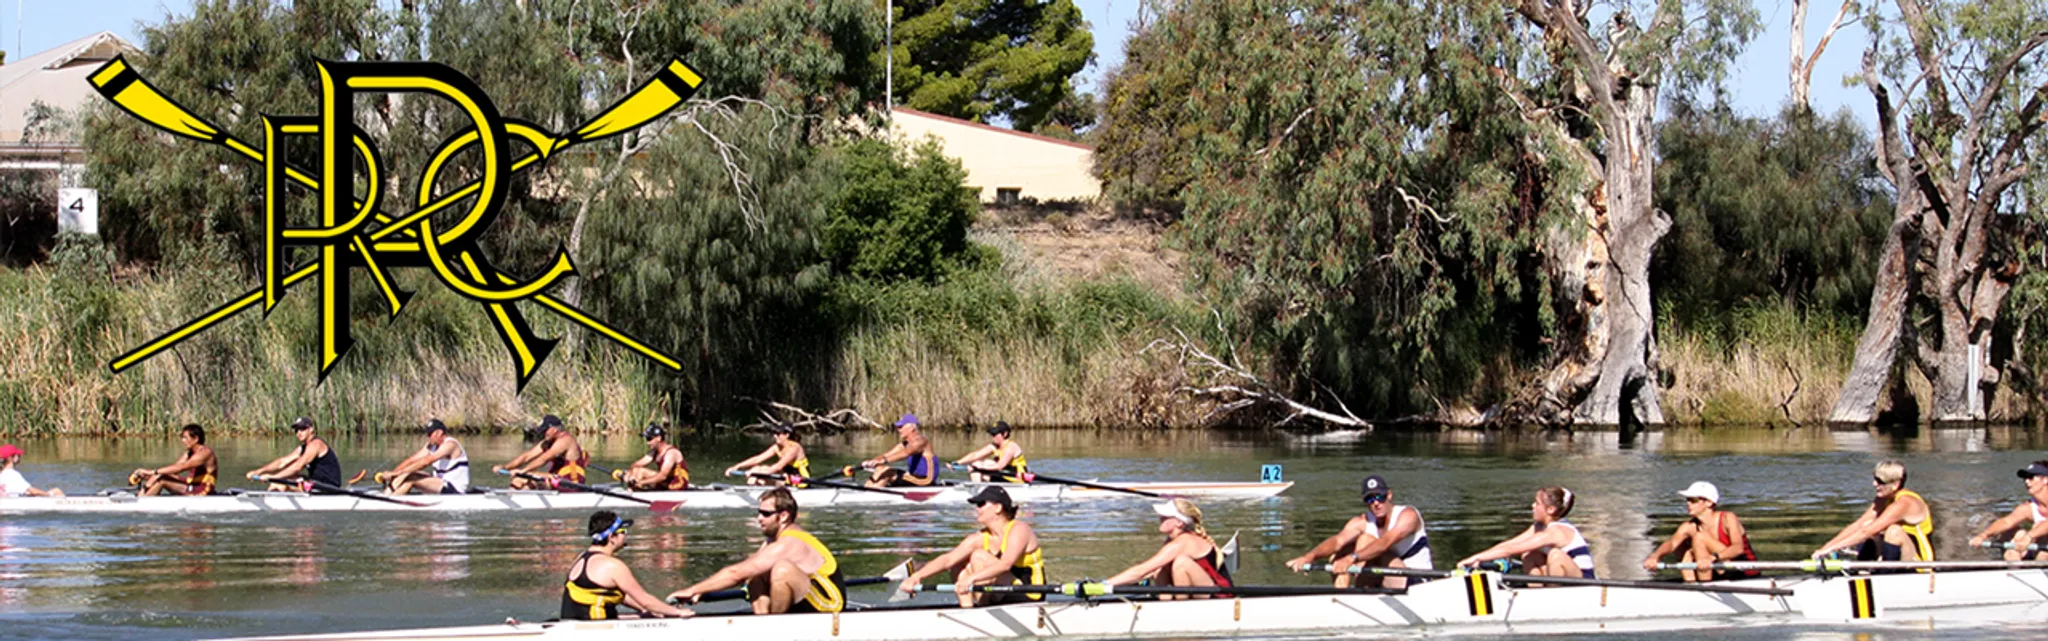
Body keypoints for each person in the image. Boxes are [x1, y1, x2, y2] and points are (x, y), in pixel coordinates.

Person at [668, 488, 844, 614]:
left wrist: (690, 590)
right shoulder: (772, 540)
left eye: (766, 514)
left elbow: (735, 573)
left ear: (783, 516)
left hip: (829, 604)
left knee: (782, 569)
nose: (759, 518)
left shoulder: (789, 543)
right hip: (804, 598)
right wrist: (704, 589)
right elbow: (745, 571)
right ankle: (762, 622)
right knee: (756, 574)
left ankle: (773, 628)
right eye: (759, 512)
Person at [897, 486, 1047, 607]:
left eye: (981, 504)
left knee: (978, 556)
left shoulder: (1019, 529)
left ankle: (981, 608)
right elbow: (948, 559)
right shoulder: (981, 537)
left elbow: (1005, 564)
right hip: (1001, 592)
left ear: (997, 508)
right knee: (957, 564)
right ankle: (969, 609)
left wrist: (971, 580)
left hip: (1030, 593)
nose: (977, 509)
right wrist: (917, 576)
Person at [1284, 475, 1431, 589]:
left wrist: (1352, 558)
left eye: (1380, 496)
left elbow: (1385, 543)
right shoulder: (1362, 521)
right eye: (1370, 499)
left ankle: (1359, 594)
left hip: (1417, 583)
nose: (1376, 503)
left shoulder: (1408, 515)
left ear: (1389, 495)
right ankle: (1341, 597)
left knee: (1365, 540)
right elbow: (1337, 541)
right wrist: (1309, 557)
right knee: (1340, 552)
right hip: (1387, 579)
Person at [559, 510, 692, 620]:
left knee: (643, 616)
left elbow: (620, 595)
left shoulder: (581, 557)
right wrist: (677, 613)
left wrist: (649, 610)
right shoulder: (613, 566)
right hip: (594, 631)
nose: (626, 535)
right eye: (623, 531)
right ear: (612, 537)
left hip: (577, 623)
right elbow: (645, 599)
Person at [1455, 486, 1596, 581]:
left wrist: (1474, 558)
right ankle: (1535, 593)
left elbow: (1510, 550)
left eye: (1537, 503)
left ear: (1551, 509)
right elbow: (1510, 544)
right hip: (1567, 578)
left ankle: (1555, 597)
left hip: (1585, 581)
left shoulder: (1556, 531)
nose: (1532, 506)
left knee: (1555, 555)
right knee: (1529, 554)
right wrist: (1478, 558)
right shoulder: (1538, 527)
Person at [1100, 499, 1233, 600]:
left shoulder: (1184, 542)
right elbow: (1146, 571)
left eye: (1165, 516)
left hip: (1221, 597)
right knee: (1159, 568)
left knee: (1181, 563)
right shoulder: (1172, 540)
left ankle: (1178, 609)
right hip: (1202, 591)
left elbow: (1141, 570)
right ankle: (1165, 602)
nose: (1160, 518)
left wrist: (1104, 585)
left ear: (1179, 523)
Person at [1813, 460, 1935, 563]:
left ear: (1896, 484)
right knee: (1868, 524)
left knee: (1893, 531)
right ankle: (1863, 571)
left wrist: (1832, 549)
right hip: (1899, 557)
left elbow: (1866, 532)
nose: (1874, 484)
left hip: (1920, 563)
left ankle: (1884, 576)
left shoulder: (1904, 503)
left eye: (1880, 481)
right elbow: (1859, 525)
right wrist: (1825, 548)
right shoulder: (1884, 499)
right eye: (1875, 479)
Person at [1640, 481, 1757, 582]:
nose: (1688, 503)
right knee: (1683, 548)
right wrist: (1655, 556)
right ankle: (1692, 585)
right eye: (1687, 500)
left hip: (1743, 572)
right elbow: (1672, 543)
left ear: (1709, 503)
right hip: (1717, 570)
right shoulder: (1689, 526)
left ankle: (1705, 586)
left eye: (1693, 500)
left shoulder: (1728, 518)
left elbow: (1738, 548)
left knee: (1700, 537)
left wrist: (1711, 558)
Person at [1968, 461, 2048, 561]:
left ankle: (2039, 567)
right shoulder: (2028, 507)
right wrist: (1983, 535)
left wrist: (2029, 537)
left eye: (2031, 477)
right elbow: (2006, 521)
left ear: (2045, 480)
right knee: (2014, 533)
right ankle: (2015, 568)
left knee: (2039, 531)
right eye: (2025, 478)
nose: (2027, 482)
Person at [246, 417, 342, 492]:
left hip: (328, 487)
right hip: (314, 482)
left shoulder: (316, 445)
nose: (299, 433)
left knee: (279, 483)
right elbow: (282, 462)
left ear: (311, 429)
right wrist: (258, 471)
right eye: (296, 430)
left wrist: (273, 477)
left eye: (302, 429)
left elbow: (297, 466)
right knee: (280, 481)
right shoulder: (302, 448)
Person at [496, 415, 589, 491]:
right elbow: (527, 456)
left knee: (522, 477)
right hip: (555, 480)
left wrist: (523, 471)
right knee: (519, 482)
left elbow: (543, 459)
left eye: (546, 430)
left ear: (555, 429)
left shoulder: (565, 440)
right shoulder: (548, 442)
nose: (544, 433)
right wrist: (505, 467)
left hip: (571, 484)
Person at [378, 419, 469, 495]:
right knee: (406, 474)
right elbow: (411, 460)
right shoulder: (431, 446)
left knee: (411, 481)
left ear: (439, 432)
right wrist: (393, 474)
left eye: (430, 434)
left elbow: (426, 462)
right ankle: (386, 495)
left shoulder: (450, 445)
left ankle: (389, 501)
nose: (428, 437)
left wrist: (396, 474)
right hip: (439, 482)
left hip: (454, 489)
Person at [132, 424, 217, 496]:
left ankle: (141, 500)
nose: (182, 441)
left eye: (185, 438)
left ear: (195, 439)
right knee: (160, 475)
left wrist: (151, 472)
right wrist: (148, 476)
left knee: (162, 480)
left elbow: (181, 467)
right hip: (191, 485)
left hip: (202, 490)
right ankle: (142, 495)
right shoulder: (189, 453)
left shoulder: (205, 453)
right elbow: (174, 469)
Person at [863, 413, 938, 488]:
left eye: (901, 427)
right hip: (913, 478)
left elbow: (906, 453)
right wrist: (871, 462)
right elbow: (885, 455)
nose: (898, 429)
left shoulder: (921, 441)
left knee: (887, 471)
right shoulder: (904, 444)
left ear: (912, 427)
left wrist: (883, 460)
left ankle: (873, 494)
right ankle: (867, 490)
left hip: (926, 480)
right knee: (880, 469)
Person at [726, 424, 811, 486]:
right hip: (786, 479)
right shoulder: (777, 447)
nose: (775, 436)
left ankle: (754, 489)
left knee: (761, 472)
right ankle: (753, 489)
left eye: (778, 434)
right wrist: (737, 466)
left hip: (800, 481)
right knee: (758, 468)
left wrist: (756, 474)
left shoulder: (794, 447)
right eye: (774, 433)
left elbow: (778, 466)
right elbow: (758, 459)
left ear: (786, 435)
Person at [621, 423, 689, 491]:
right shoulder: (654, 452)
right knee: (637, 470)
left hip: (677, 486)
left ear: (659, 438)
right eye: (647, 439)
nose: (648, 442)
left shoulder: (671, 453)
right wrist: (629, 474)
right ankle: (632, 491)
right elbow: (636, 465)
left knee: (641, 472)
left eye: (649, 439)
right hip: (666, 483)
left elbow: (662, 476)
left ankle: (634, 492)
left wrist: (641, 482)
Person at [953, 422, 1028, 483]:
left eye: (995, 434)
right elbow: (975, 455)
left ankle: (978, 491)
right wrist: (958, 462)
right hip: (1003, 476)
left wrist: (979, 468)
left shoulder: (1011, 447)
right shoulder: (994, 446)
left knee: (985, 464)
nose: (992, 437)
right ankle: (978, 490)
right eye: (992, 434)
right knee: (978, 464)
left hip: (1016, 479)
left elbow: (999, 466)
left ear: (1005, 434)